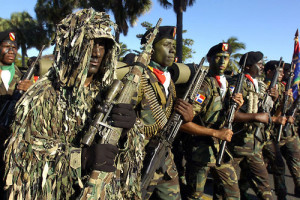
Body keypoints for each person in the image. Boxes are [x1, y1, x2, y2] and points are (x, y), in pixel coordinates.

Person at [3, 9, 136, 199]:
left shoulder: (110, 93)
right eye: (90, 43)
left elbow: (127, 161)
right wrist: (82, 158)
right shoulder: (42, 95)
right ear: (71, 45)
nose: (97, 52)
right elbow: (23, 158)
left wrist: (129, 132)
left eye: (103, 45)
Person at [179, 43, 243, 200]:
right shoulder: (203, 86)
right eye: (218, 58)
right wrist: (216, 132)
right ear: (209, 59)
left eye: (226, 58)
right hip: (201, 152)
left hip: (221, 149)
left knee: (232, 193)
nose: (222, 62)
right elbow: (184, 123)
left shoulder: (226, 84)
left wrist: (237, 107)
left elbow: (228, 117)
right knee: (194, 195)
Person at [136, 26, 193, 200]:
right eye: (167, 44)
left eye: (173, 45)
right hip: (140, 159)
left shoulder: (169, 81)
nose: (173, 49)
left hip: (165, 157)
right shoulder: (138, 78)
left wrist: (187, 117)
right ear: (151, 49)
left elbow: (169, 117)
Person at [228, 51, 274, 200]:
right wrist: (256, 116)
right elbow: (231, 114)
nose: (262, 67)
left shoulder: (258, 84)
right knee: (227, 191)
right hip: (236, 145)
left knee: (264, 189)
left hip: (254, 144)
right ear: (248, 67)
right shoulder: (237, 83)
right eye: (259, 64)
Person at [0, 30, 33, 198]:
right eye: (6, 46)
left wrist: (31, 91)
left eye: (14, 47)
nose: (11, 51)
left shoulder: (23, 76)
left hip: (11, 143)